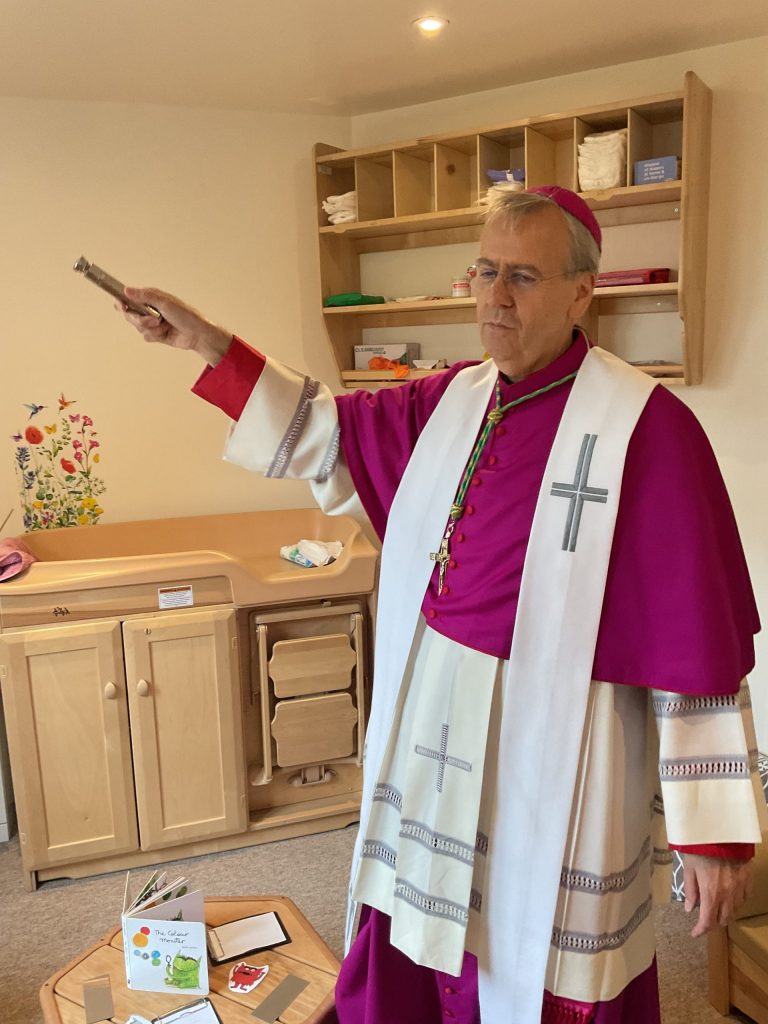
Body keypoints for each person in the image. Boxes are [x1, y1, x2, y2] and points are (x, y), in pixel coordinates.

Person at [119, 185, 765, 1024]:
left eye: (523, 276)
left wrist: (712, 835)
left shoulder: (649, 428)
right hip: (435, 720)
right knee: (417, 919)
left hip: (565, 738)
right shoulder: (449, 400)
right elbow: (322, 432)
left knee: (538, 946)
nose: (495, 297)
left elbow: (698, 642)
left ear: (582, 293)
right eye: (485, 271)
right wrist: (204, 340)